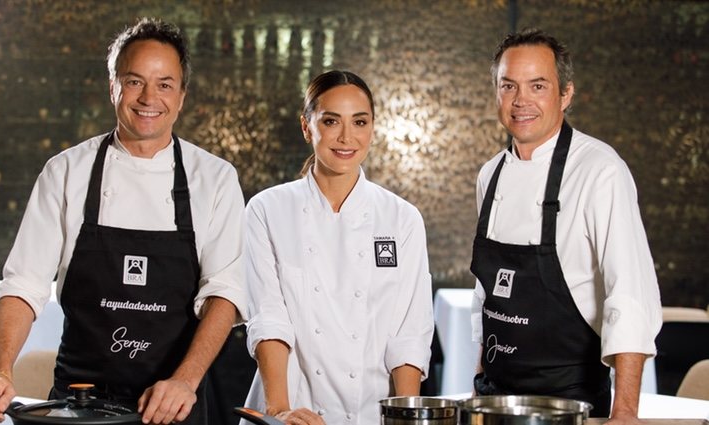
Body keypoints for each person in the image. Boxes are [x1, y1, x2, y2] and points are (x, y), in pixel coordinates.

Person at [0, 17, 246, 425]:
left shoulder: (215, 178)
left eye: (164, 84)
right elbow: (24, 284)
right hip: (76, 405)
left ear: (182, 96)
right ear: (112, 87)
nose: (149, 97)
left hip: (172, 406)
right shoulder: (65, 172)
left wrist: (185, 380)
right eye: (134, 81)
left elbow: (225, 295)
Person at [470, 28, 662, 421]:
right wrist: (479, 376)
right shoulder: (489, 176)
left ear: (566, 94)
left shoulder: (600, 170)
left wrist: (625, 411)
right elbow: (488, 292)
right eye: (509, 86)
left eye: (537, 86)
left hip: (570, 402)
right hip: (495, 400)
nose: (521, 101)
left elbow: (629, 294)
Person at [241, 70, 434, 425]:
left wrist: (405, 417)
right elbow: (269, 320)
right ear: (307, 126)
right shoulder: (267, 210)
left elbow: (409, 334)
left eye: (359, 122)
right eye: (331, 121)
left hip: (372, 413)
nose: (347, 137)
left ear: (373, 128)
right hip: (291, 407)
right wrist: (280, 411)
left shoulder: (401, 218)